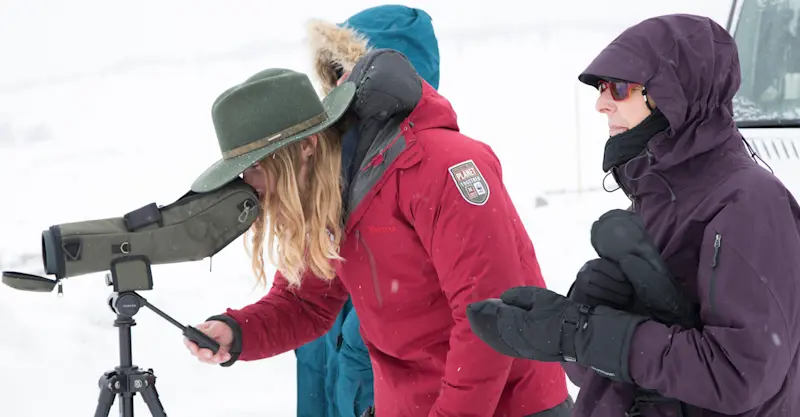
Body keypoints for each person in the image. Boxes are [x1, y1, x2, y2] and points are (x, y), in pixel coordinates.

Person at [184, 41, 571, 417]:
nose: (250, 186)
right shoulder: (325, 195)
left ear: (305, 147)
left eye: (255, 167)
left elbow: (487, 318)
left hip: (510, 405)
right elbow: (306, 302)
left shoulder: (440, 168)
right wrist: (237, 332)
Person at [465, 13, 800, 417]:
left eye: (620, 88)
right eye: (602, 88)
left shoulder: (748, 203)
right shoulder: (658, 196)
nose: (601, 103)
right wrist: (576, 321)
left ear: (674, 94)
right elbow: (611, 374)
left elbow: (740, 375)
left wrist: (590, 334)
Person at [292, 5, 441, 417]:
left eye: (354, 70)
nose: (341, 83)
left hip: (383, 390)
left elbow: (449, 296)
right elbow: (302, 293)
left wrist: (361, 336)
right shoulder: (327, 167)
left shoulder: (429, 165)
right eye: (336, 70)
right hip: (327, 377)